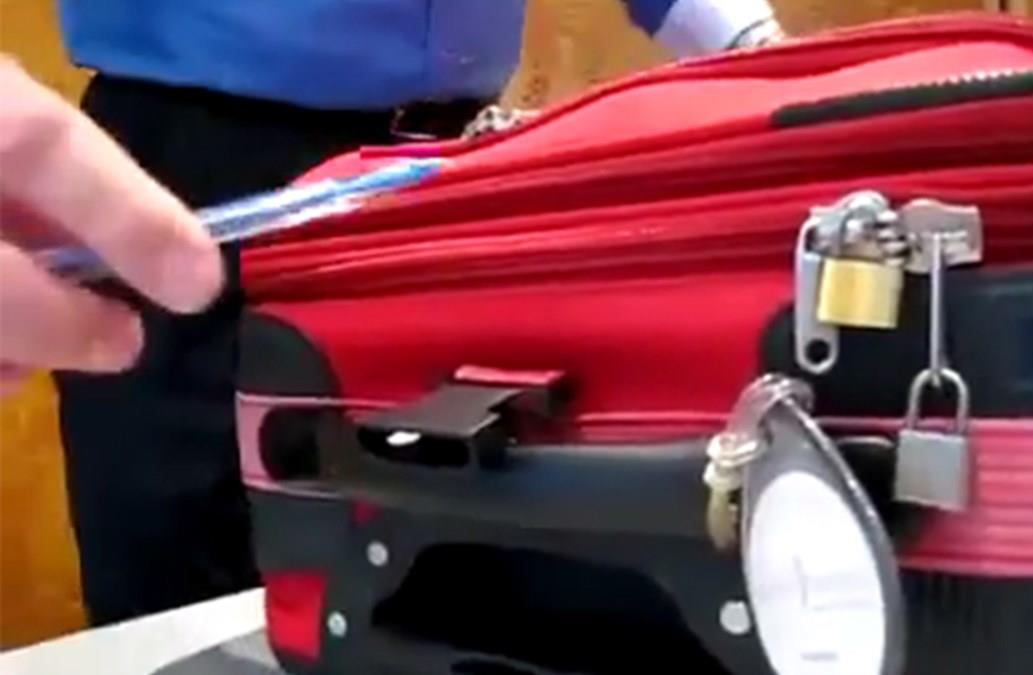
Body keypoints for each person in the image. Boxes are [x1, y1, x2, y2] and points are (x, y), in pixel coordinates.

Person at [32, 0, 785, 625]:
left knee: (437, 554)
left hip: (451, 172)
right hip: (203, 160)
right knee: (182, 569)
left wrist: (749, 44)